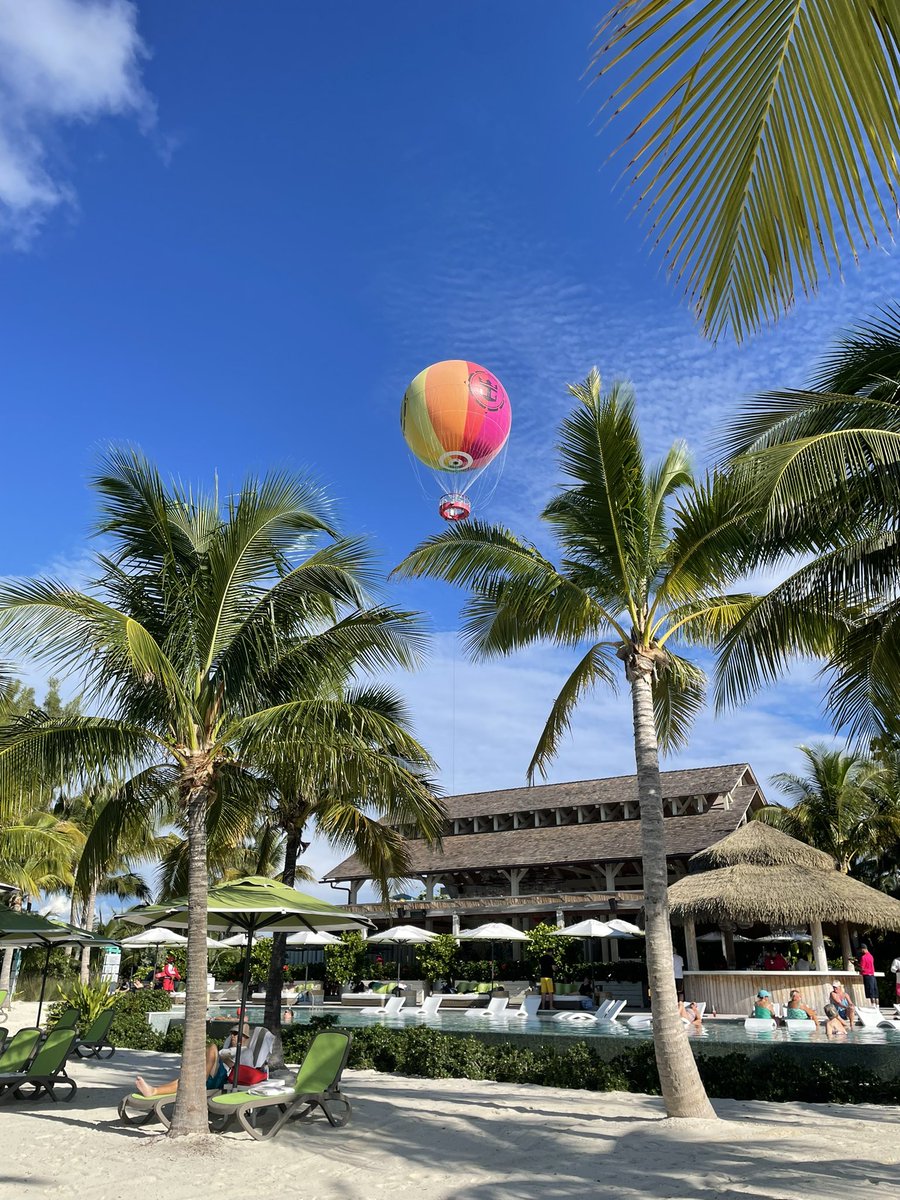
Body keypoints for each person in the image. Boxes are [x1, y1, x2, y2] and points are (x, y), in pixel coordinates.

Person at [135, 1042, 227, 1097]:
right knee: (183, 1080)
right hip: (212, 1073)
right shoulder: (228, 1047)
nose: (233, 1036)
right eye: (232, 1033)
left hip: (218, 1080)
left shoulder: (240, 1051)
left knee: (212, 1047)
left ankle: (154, 1091)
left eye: (236, 1033)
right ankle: (153, 1090)